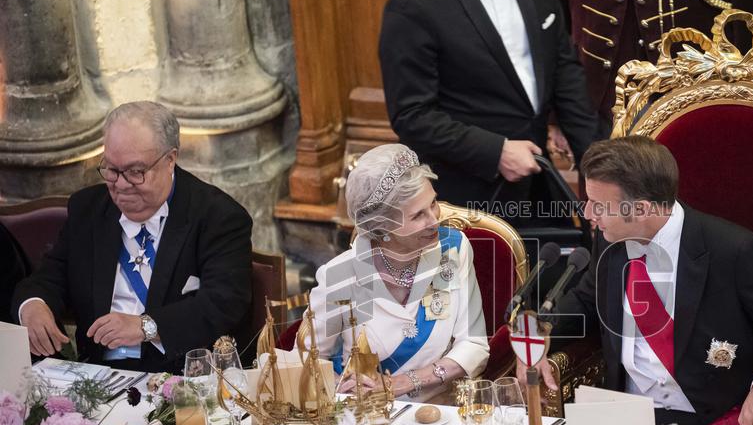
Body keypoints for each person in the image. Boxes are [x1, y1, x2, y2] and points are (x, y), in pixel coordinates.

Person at [521, 136, 753, 425]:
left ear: (640, 210)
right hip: (627, 421)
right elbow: (585, 301)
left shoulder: (735, 252)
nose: (587, 215)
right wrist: (535, 345)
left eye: (599, 206)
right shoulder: (609, 240)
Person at [12, 101, 253, 373]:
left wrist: (146, 326)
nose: (122, 185)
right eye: (112, 170)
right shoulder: (88, 209)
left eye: (136, 172)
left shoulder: (218, 216)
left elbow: (223, 302)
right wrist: (32, 307)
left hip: (181, 376)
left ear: (170, 159)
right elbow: (49, 278)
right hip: (96, 375)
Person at [379, 0, 598, 223]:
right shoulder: (414, 3)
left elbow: (563, 68)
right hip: (468, 197)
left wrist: (596, 165)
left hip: (539, 183)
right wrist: (496, 152)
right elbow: (412, 116)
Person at [308, 144, 489, 400]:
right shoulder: (340, 275)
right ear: (382, 229)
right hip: (367, 419)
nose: (434, 220)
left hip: (439, 411)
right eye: (417, 216)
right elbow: (309, 360)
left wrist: (402, 383)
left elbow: (474, 346)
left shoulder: (453, 250)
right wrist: (342, 388)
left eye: (433, 203)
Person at [545, 0, 753, 131]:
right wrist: (557, 118)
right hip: (598, 109)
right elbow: (557, 28)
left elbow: (747, 17)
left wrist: (743, 102)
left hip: (695, 101)